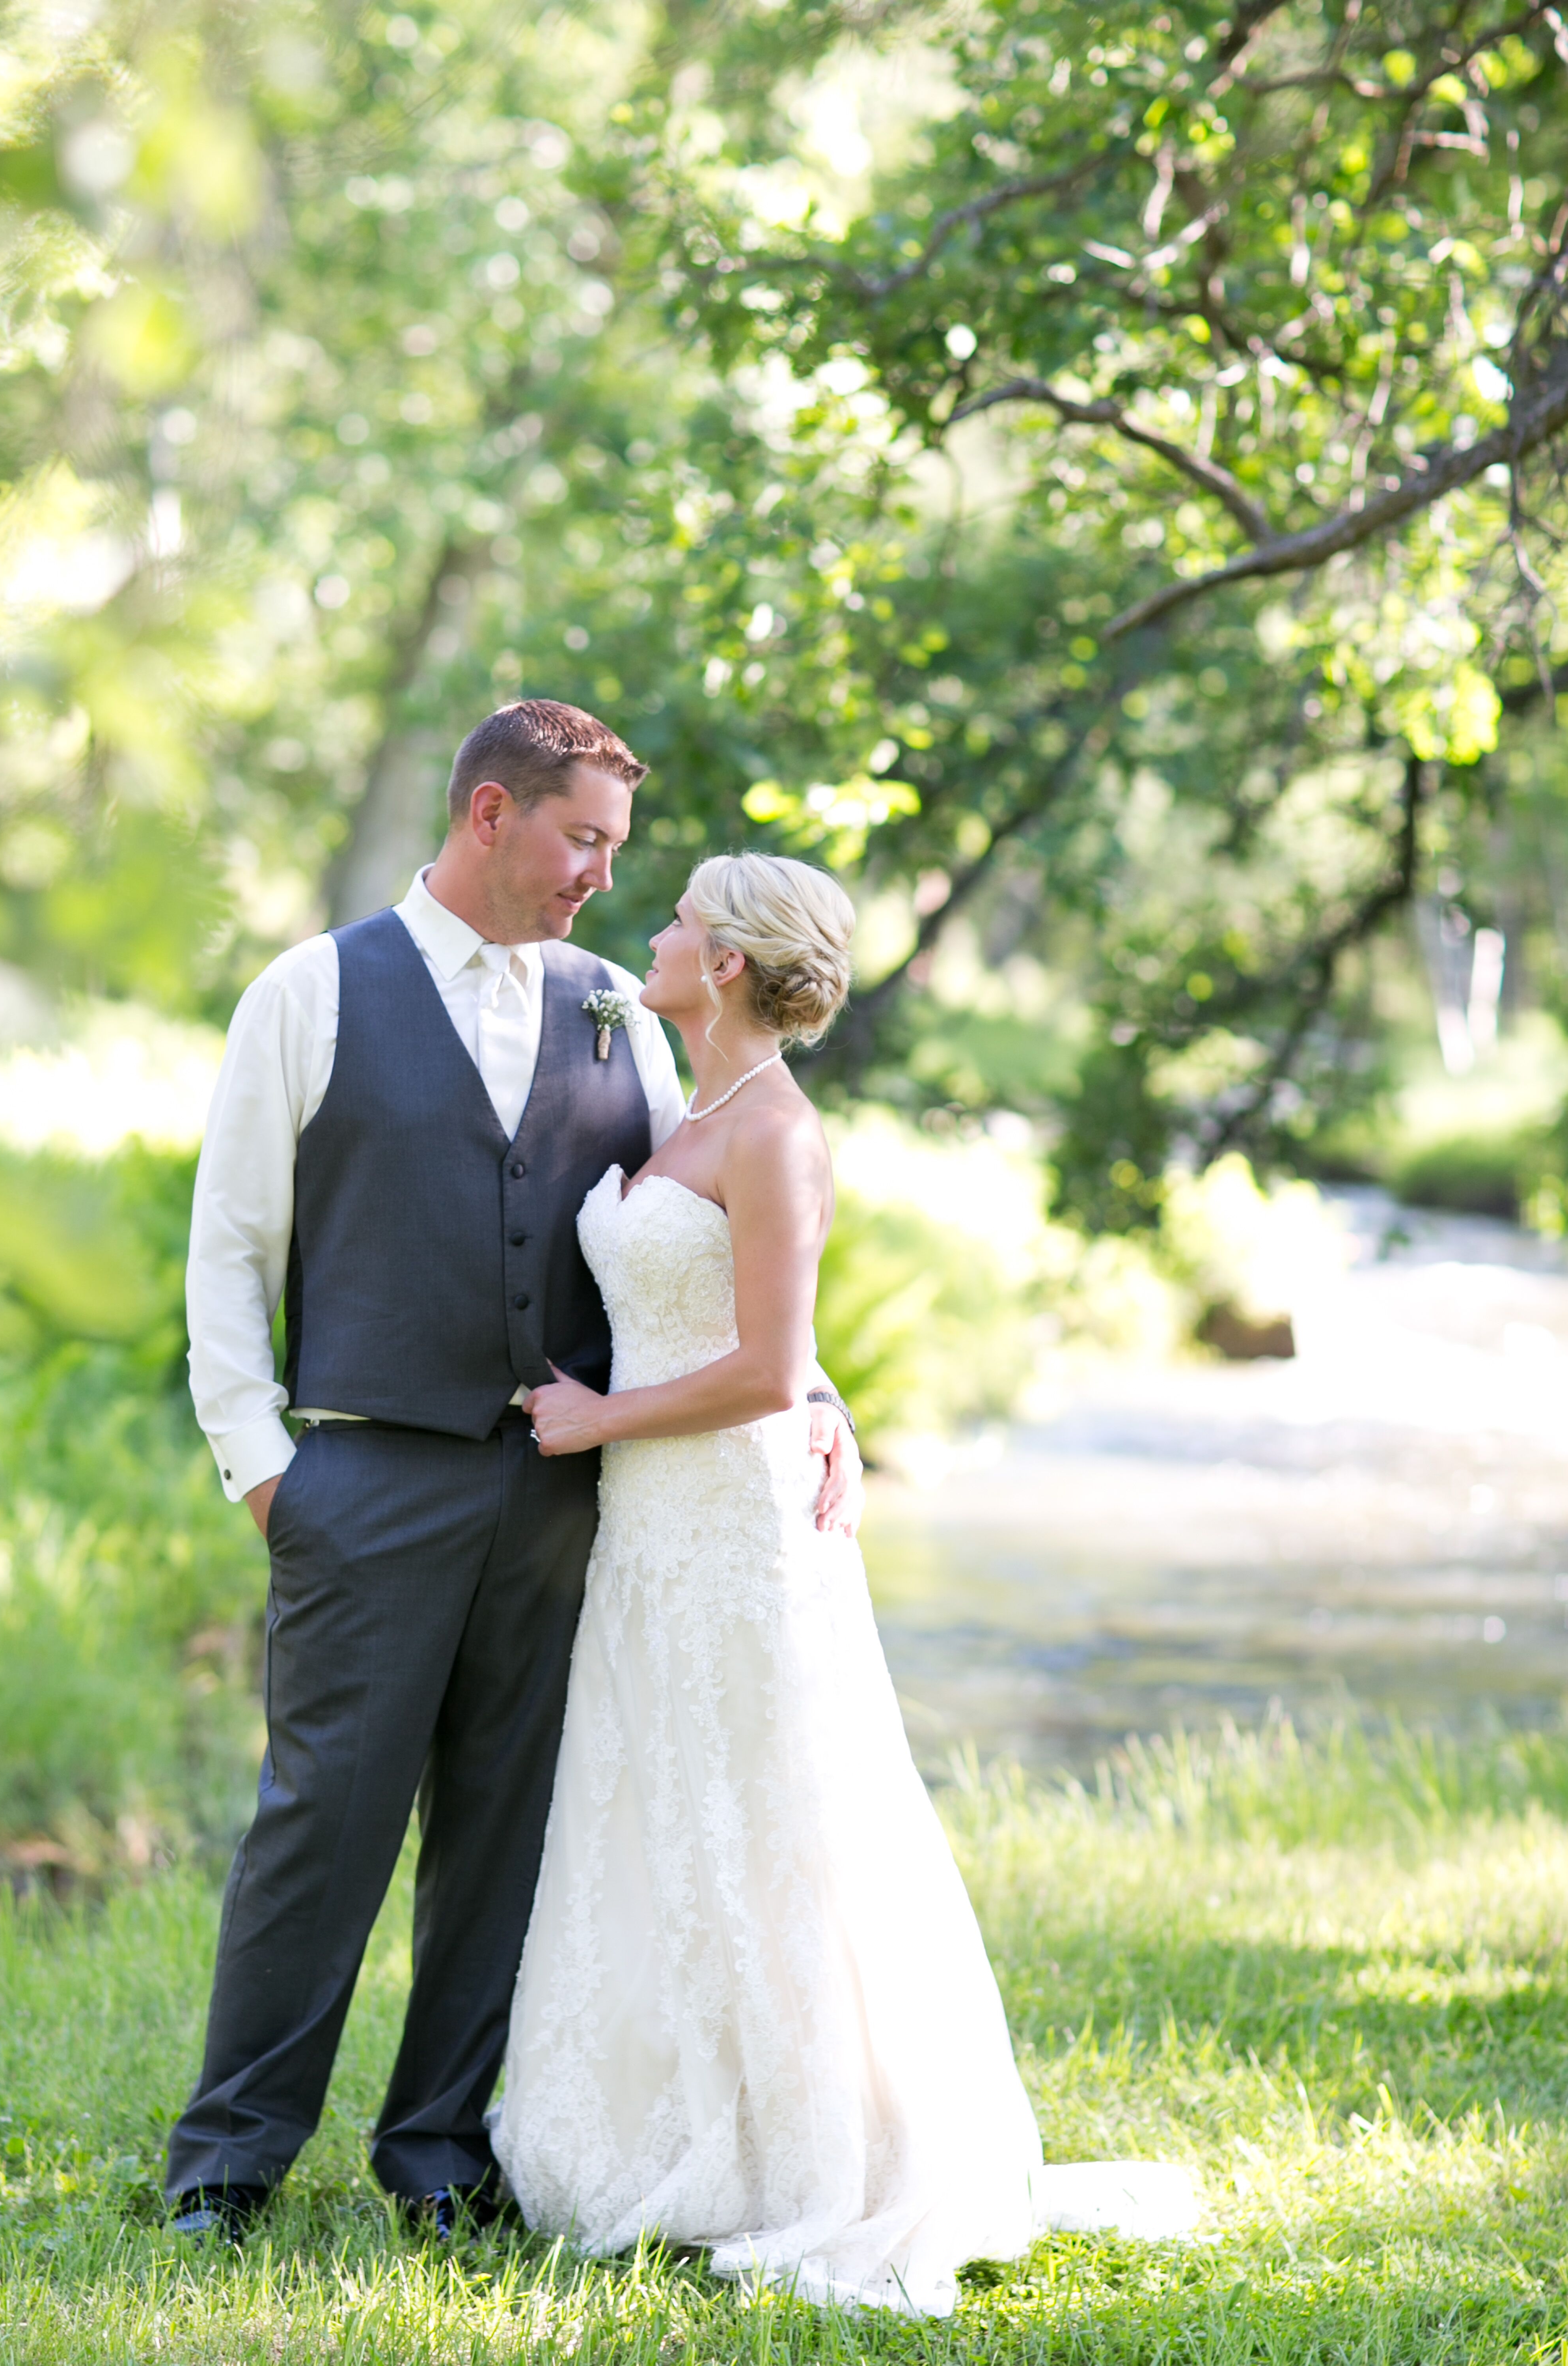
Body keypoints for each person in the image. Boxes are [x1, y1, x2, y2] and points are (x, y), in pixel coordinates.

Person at [168, 703, 861, 2239]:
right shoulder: (311, 993)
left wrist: (814, 1396)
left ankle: (436, 2154)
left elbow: (714, 1244)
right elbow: (230, 1247)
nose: (601, 878)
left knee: (505, 1833)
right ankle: (228, 2163)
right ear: (493, 813)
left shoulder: (621, 1005)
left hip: (564, 1500)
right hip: (365, 1482)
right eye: (582, 841)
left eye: (617, 850)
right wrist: (264, 1468)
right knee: (321, 1828)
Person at [497, 851, 1195, 2316]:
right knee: (663, 1809)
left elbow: (759, 1366)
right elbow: (784, 1357)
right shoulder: (687, 1095)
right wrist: (834, 1408)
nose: (659, 931)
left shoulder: (779, 1137)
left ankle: (805, 2155)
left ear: (734, 962)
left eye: (684, 917)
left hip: (731, 1529)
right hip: (652, 1529)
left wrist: (599, 1416)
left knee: (768, 1826)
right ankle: (670, 2124)